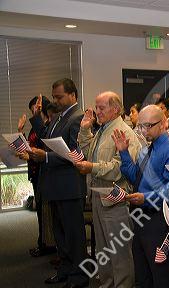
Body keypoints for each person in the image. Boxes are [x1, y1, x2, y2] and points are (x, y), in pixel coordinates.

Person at [112, 105, 169, 288]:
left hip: (159, 218)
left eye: (148, 126)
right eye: (140, 126)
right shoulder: (148, 148)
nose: (144, 131)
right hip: (141, 217)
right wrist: (123, 152)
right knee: (143, 272)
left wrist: (146, 198)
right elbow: (135, 175)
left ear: (163, 123)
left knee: (162, 275)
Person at [28, 78, 89, 288]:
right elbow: (46, 138)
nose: (56, 100)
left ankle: (79, 277)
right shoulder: (59, 117)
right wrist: (36, 118)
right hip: (56, 186)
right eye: (54, 96)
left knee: (74, 237)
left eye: (59, 96)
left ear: (73, 95)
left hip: (70, 187)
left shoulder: (78, 117)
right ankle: (65, 270)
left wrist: (45, 157)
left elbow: (76, 153)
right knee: (60, 236)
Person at [76, 91, 141, 288]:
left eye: (101, 108)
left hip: (115, 201)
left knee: (119, 255)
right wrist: (85, 131)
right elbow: (88, 153)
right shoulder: (103, 129)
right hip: (98, 197)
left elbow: (119, 169)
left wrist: (91, 167)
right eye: (96, 107)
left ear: (115, 109)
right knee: (103, 251)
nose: (97, 112)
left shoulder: (124, 132)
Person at [18, 95, 56, 257]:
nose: (34, 111)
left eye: (35, 108)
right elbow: (30, 145)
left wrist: (31, 154)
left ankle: (47, 245)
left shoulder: (48, 126)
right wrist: (20, 131)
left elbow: (44, 150)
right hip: (35, 171)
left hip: (44, 170)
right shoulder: (36, 126)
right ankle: (42, 243)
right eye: (32, 108)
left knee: (45, 211)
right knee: (41, 211)